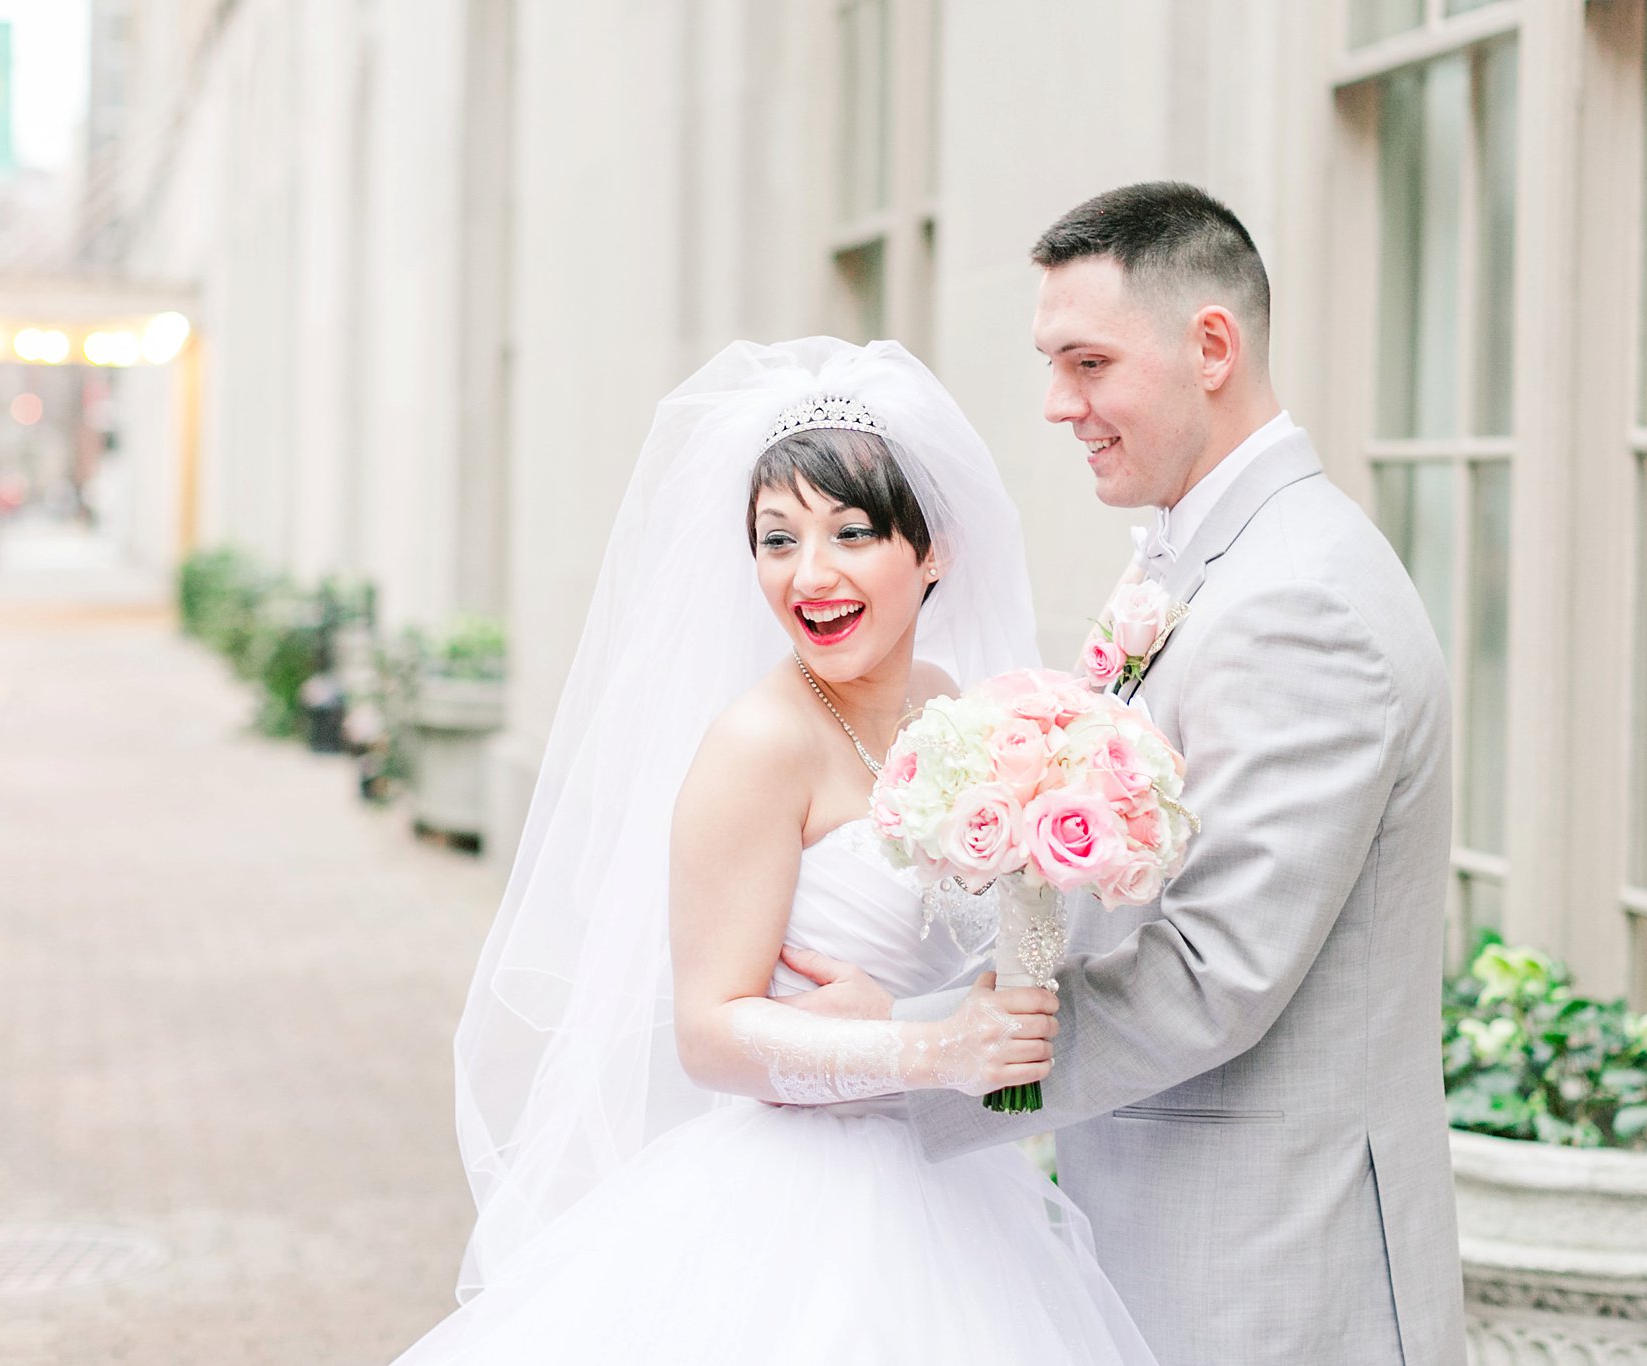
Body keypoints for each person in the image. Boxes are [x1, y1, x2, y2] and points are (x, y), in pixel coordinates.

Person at [786, 182, 1470, 1366]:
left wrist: (914, 1043)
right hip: (1172, 1227)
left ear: (1211, 346)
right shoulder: (1210, 561)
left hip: (1267, 1260)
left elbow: (1214, 971)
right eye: (1052, 364)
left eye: (1087, 362)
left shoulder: (1297, 600)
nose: (1059, 405)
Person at [390, 338, 1155, 1364]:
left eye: (850, 532)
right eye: (776, 538)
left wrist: (954, 1003)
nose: (811, 574)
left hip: (955, 1181)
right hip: (806, 1199)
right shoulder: (758, 745)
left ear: (930, 551)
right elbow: (708, 1034)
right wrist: (926, 1047)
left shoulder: (954, 707)